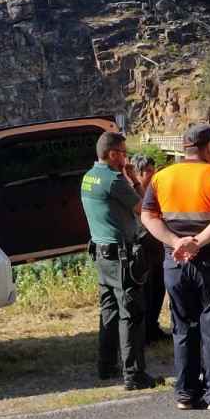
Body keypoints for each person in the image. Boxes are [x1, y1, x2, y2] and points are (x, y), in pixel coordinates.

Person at [141, 123, 210, 411]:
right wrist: (197, 241)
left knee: (182, 327)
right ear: (208, 147)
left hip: (175, 263)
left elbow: (148, 217)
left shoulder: (161, 177)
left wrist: (175, 242)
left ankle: (186, 393)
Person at [80, 132, 161, 390]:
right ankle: (134, 375)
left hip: (101, 254)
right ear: (113, 154)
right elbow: (143, 207)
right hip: (121, 257)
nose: (126, 157)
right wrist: (134, 179)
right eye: (124, 153)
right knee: (131, 314)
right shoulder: (114, 180)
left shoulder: (89, 177)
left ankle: (106, 366)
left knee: (109, 311)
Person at [130, 153, 169, 344]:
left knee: (159, 287)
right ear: (137, 173)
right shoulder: (131, 192)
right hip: (142, 245)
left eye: (154, 172)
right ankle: (144, 331)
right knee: (145, 289)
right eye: (149, 173)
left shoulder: (156, 190)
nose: (153, 176)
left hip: (158, 245)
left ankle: (153, 326)